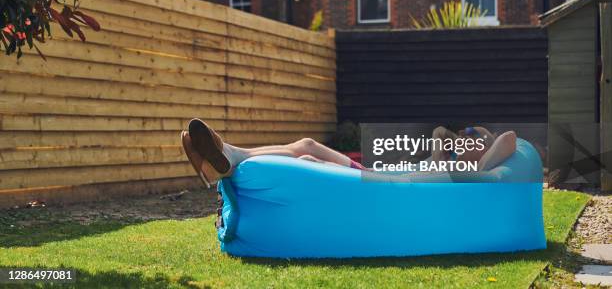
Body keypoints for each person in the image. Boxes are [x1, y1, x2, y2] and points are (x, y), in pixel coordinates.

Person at [181, 119, 517, 188]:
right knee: (308, 145)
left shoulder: (463, 173)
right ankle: (230, 155)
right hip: (370, 173)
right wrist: (463, 139)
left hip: (370, 182)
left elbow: (511, 139)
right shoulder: (448, 160)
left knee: (307, 159)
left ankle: (228, 159)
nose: (466, 137)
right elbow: (440, 134)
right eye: (467, 134)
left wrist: (482, 143)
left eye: (475, 137)